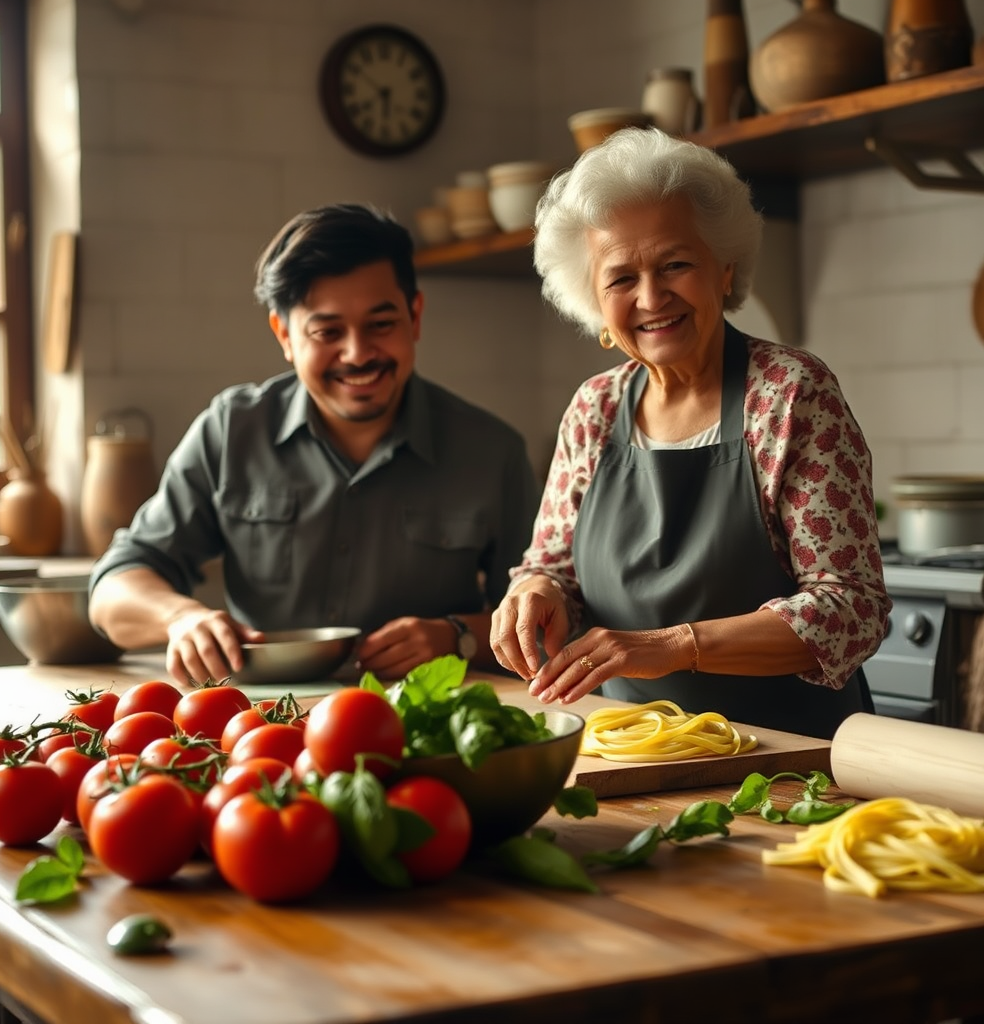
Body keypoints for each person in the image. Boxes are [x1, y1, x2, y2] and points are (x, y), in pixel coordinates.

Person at [489, 128, 890, 739]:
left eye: (676, 263)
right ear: (594, 300)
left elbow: (852, 609)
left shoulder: (789, 393)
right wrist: (535, 590)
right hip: (628, 746)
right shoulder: (594, 409)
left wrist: (677, 645)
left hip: (788, 755)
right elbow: (555, 569)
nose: (653, 297)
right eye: (621, 278)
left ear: (724, 270)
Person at [89, 203, 539, 687]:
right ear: (284, 334)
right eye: (327, 332)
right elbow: (113, 588)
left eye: (380, 325)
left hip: (428, 722)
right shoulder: (230, 430)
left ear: (415, 316)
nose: (357, 353)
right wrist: (180, 618)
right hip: (257, 729)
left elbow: (549, 615)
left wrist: (458, 637)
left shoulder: (493, 452)